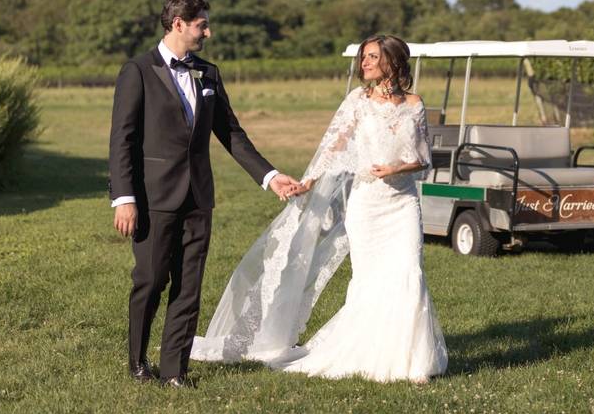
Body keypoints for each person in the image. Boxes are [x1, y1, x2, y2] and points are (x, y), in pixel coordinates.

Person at [191, 34, 448, 383]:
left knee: (408, 271)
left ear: (394, 61)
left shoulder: (415, 104)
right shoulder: (357, 100)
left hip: (401, 204)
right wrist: (309, 181)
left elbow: (423, 159)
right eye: (363, 57)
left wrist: (396, 169)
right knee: (370, 280)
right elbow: (334, 146)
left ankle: (413, 363)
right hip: (366, 205)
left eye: (373, 57)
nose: (365, 63)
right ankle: (371, 354)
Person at [108, 0, 298, 388]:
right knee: (151, 279)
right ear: (178, 24)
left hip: (198, 198)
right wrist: (124, 198)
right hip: (153, 198)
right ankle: (138, 362)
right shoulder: (137, 70)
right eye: (201, 25)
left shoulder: (208, 73)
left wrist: (270, 176)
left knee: (189, 286)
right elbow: (122, 139)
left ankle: (175, 371)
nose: (207, 32)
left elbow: (231, 133)